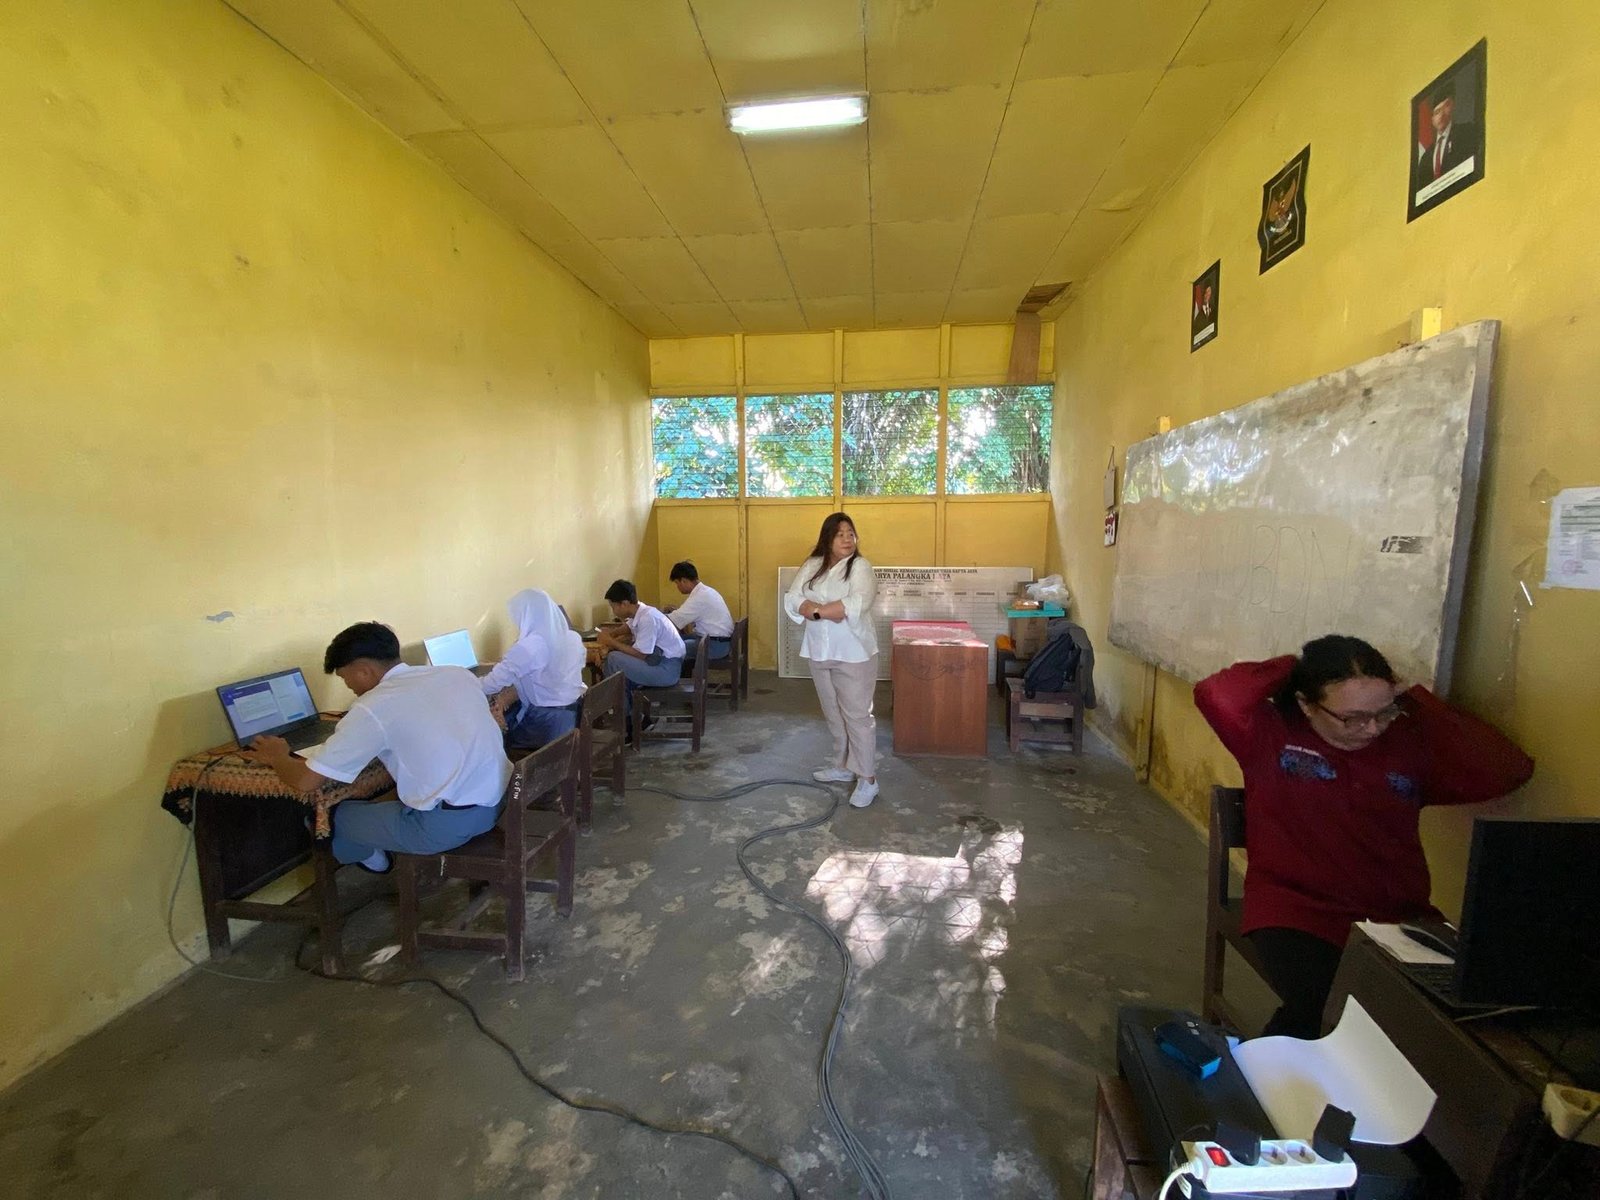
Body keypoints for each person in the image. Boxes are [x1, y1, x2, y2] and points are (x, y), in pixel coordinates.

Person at [1194, 634, 1533, 1039]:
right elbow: (1216, 692)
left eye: (1384, 712)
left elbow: (1508, 770)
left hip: (1400, 915)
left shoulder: (1406, 743)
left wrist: (1418, 702)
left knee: (1461, 1021)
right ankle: (1266, 1080)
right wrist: (1291, 664)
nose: (1370, 729)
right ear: (1307, 704)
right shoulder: (1271, 734)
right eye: (1352, 717)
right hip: (1297, 912)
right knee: (1331, 1009)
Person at [242, 621, 511, 874]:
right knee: (378, 797)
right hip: (500, 803)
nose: (351, 688)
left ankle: (377, 862)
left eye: (346, 679)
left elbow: (305, 781)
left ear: (364, 670)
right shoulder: (456, 675)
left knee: (328, 816)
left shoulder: (373, 707)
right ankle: (381, 842)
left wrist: (277, 756)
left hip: (445, 828)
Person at [783, 512, 880, 808]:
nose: (847, 539)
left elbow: (857, 603)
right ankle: (843, 766)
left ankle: (868, 779)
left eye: (851, 533)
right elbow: (792, 597)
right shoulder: (813, 565)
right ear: (827, 538)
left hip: (853, 653)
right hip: (819, 651)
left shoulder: (860, 567)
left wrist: (815, 610)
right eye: (840, 534)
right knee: (834, 712)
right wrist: (818, 609)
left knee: (858, 716)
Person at [478, 588, 586, 752]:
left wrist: (466, 680)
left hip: (546, 723)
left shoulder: (530, 647)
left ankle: (511, 775)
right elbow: (540, 675)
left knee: (494, 730)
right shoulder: (572, 637)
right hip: (574, 714)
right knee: (506, 706)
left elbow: (491, 685)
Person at [596, 579, 685, 724]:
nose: (613, 611)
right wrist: (612, 634)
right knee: (618, 671)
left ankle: (628, 721)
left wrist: (611, 642)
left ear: (624, 604)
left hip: (666, 671)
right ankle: (636, 718)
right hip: (662, 664)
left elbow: (640, 655)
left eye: (613, 607)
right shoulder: (641, 611)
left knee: (612, 660)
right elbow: (629, 627)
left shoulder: (648, 618)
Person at [663, 560, 735, 667]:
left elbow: (674, 621)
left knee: (670, 647)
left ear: (683, 581)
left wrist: (653, 616)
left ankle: (671, 681)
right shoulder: (706, 591)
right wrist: (675, 612)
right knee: (678, 640)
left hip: (714, 647)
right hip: (720, 642)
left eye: (677, 583)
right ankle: (683, 678)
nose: (677, 587)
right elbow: (684, 615)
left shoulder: (699, 597)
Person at [1413, 82, 1479, 195]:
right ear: (1432, 119)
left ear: (1452, 106)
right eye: (1437, 112)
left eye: (1446, 106)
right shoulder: (1426, 156)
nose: (1441, 115)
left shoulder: (1466, 132)